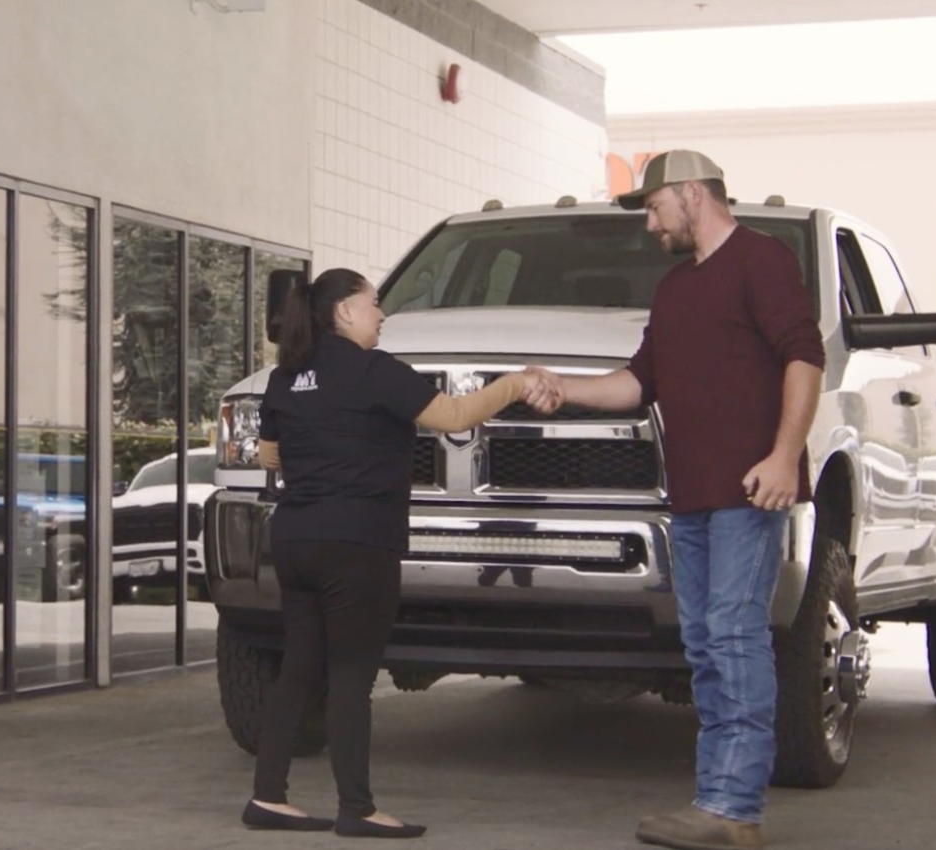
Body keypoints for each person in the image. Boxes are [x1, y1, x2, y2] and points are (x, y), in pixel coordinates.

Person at [525, 151, 825, 850]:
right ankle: (716, 802)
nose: (651, 226)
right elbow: (636, 383)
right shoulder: (674, 289)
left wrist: (784, 456)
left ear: (693, 194)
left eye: (656, 208)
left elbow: (804, 357)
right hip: (688, 498)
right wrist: (562, 388)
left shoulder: (762, 259)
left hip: (749, 489)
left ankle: (734, 810)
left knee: (733, 637)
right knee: (705, 645)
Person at [243, 267, 550, 839]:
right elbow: (455, 417)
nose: (381, 315)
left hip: (295, 539)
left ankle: (268, 797)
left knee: (299, 670)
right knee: (352, 678)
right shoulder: (373, 372)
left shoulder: (285, 377)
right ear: (344, 313)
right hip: (358, 542)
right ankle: (357, 809)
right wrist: (514, 383)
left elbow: (270, 457)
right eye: (374, 303)